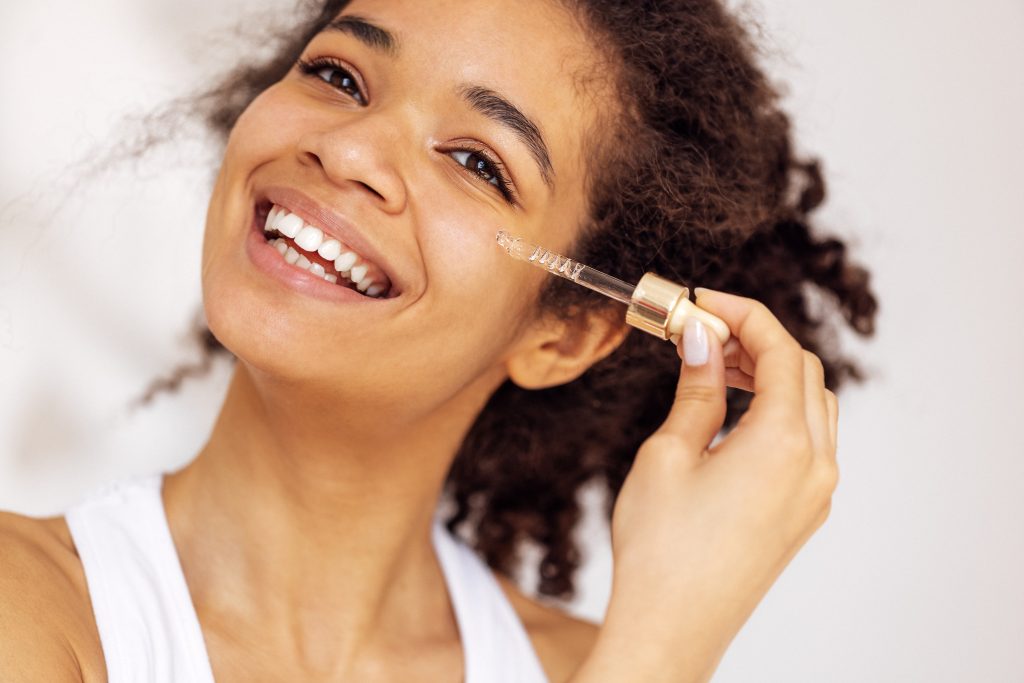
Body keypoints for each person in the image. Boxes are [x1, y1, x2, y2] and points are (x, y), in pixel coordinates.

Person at [0, 0, 877, 680]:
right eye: (340, 77)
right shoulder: (28, 606)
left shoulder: (604, 665)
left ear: (563, 334)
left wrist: (661, 642)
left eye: (477, 162)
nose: (349, 152)